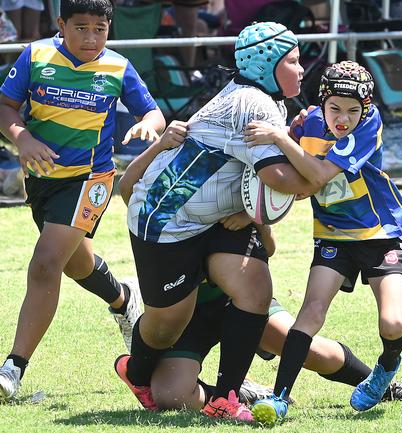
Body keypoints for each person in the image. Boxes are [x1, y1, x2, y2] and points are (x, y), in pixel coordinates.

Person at [115, 21, 317, 422]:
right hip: (165, 221)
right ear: (266, 66)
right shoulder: (253, 103)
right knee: (165, 325)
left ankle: (227, 397)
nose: (301, 69)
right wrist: (324, 167)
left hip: (213, 221)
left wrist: (299, 155)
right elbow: (281, 181)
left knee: (255, 289)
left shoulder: (270, 101)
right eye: (292, 61)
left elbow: (275, 191)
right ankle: (135, 371)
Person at [0, 0, 166, 402]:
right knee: (76, 264)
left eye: (100, 28)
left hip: (90, 179)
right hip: (43, 178)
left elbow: (154, 114)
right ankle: (124, 300)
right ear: (61, 25)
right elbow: (5, 108)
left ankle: (13, 368)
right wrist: (24, 138)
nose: (91, 37)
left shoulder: (117, 67)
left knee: (46, 262)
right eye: (81, 28)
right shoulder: (36, 55)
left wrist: (145, 127)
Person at [244, 60, 402, 424]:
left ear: (365, 110)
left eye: (352, 111)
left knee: (393, 324)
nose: (343, 118)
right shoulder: (306, 124)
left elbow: (318, 175)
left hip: (380, 232)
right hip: (332, 235)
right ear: (323, 102)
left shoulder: (369, 125)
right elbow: (297, 182)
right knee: (311, 312)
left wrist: (279, 138)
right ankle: (279, 397)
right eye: (335, 108)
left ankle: (386, 367)